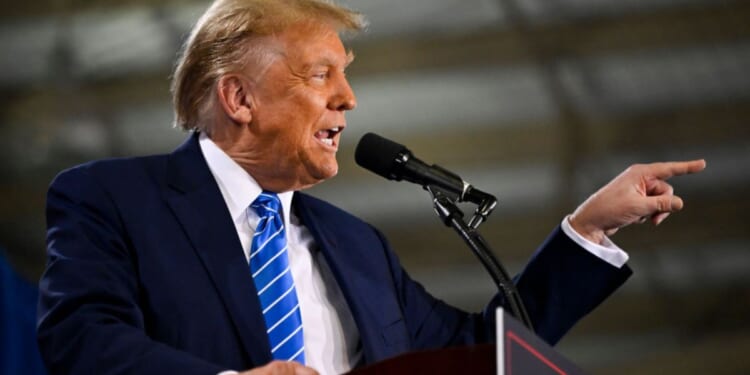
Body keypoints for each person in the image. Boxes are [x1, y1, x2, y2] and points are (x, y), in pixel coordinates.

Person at [36, 1, 706, 374]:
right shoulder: (112, 199)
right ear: (240, 97)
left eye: (346, 76)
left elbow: (482, 350)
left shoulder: (358, 247)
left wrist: (586, 230)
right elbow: (82, 339)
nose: (349, 99)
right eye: (321, 74)